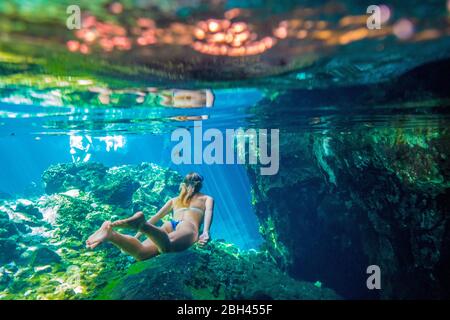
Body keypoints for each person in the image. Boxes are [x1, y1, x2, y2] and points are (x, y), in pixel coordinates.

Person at [85, 172, 214, 261]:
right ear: (200, 185)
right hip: (187, 226)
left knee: (141, 253)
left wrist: (138, 235)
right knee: (166, 248)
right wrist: (205, 232)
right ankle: (142, 225)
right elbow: (208, 212)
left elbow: (157, 217)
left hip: (170, 225)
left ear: (183, 184)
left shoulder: (174, 200)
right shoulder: (207, 198)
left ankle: (111, 235)